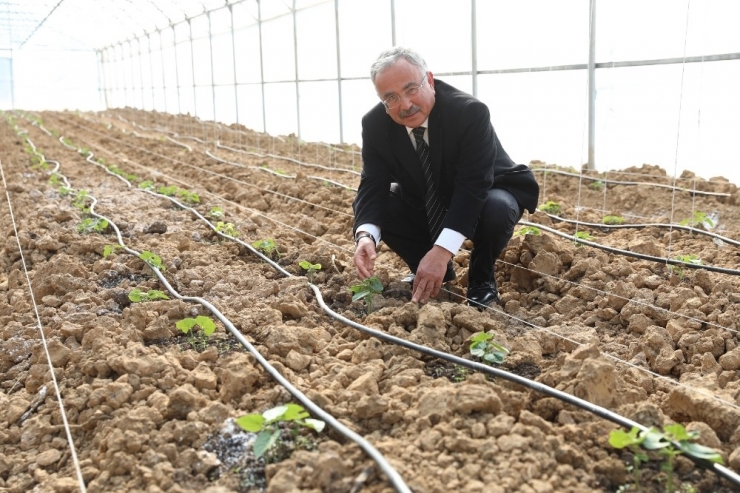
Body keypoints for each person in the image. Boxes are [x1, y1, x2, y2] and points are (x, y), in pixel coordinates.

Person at [352, 46, 539, 309]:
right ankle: (427, 271)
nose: (405, 105)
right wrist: (366, 237)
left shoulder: (469, 112)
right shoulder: (374, 124)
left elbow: (473, 185)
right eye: (391, 98)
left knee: (497, 208)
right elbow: (373, 182)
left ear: (429, 80)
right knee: (384, 205)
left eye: (411, 89)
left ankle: (481, 280)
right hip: (426, 196)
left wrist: (442, 251)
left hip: (486, 190)